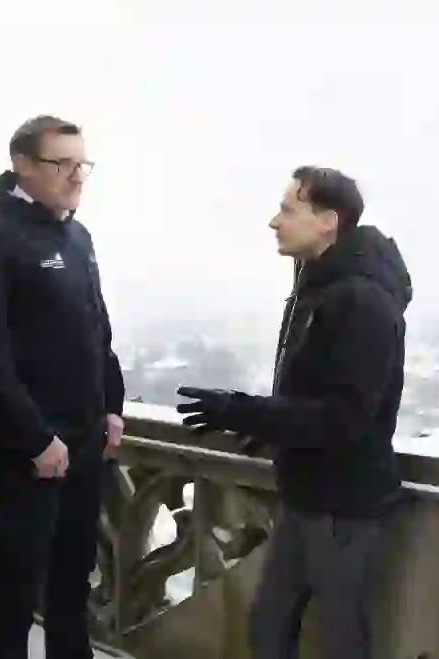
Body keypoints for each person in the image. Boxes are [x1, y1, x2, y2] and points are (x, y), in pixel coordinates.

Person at [176, 166, 413, 659]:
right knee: (269, 628)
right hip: (309, 496)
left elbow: (345, 418)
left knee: (340, 640)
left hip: (343, 506)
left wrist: (241, 413)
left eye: (288, 209)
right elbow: (313, 393)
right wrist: (274, 429)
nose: (273, 222)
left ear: (328, 220)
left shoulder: (362, 299)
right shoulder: (319, 284)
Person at [0, 115, 125, 659]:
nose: (77, 176)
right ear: (21, 165)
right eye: (62, 164)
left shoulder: (77, 234)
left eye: (82, 164)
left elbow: (98, 332)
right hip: (24, 453)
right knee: (15, 596)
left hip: (84, 444)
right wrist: (34, 439)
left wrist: (111, 409)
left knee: (73, 590)